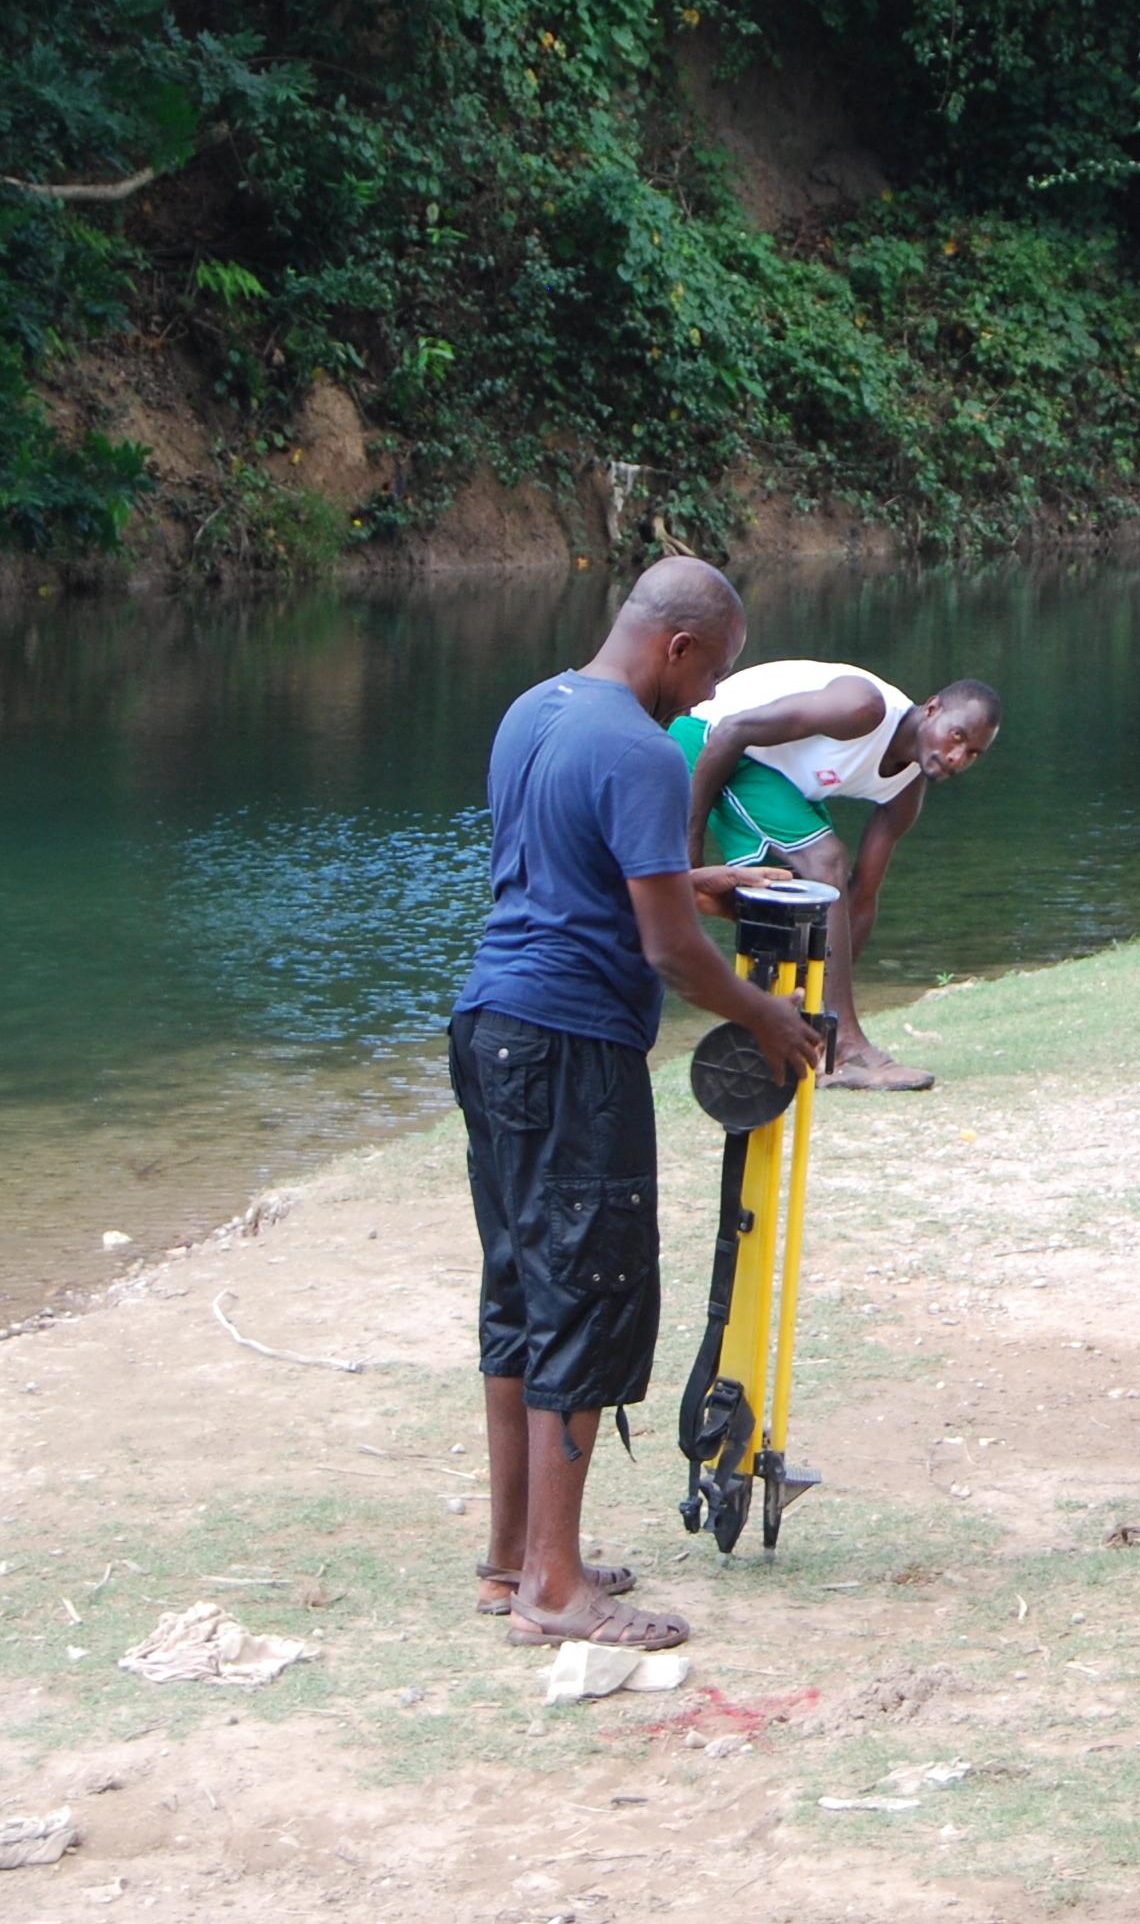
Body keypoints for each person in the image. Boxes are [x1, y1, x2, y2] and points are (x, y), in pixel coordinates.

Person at [447, 558, 824, 1653]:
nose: (708, 699)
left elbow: (565, 868)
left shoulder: (537, 707)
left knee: (519, 1282)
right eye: (712, 671)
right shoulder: (644, 749)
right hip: (569, 1043)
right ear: (677, 646)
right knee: (588, 1286)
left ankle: (512, 1552)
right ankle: (556, 1590)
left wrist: (693, 876)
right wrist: (765, 1016)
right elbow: (668, 953)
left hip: (491, 1025)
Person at [675, 662, 1002, 1090]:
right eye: (957, 735)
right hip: (709, 741)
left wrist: (826, 992)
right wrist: (689, 857)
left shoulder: (904, 793)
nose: (959, 757)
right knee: (825, 861)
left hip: (770, 775)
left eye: (973, 753)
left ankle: (795, 1039)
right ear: (933, 708)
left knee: (795, 903)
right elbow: (733, 729)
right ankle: (844, 1049)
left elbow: (861, 897)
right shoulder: (863, 708)